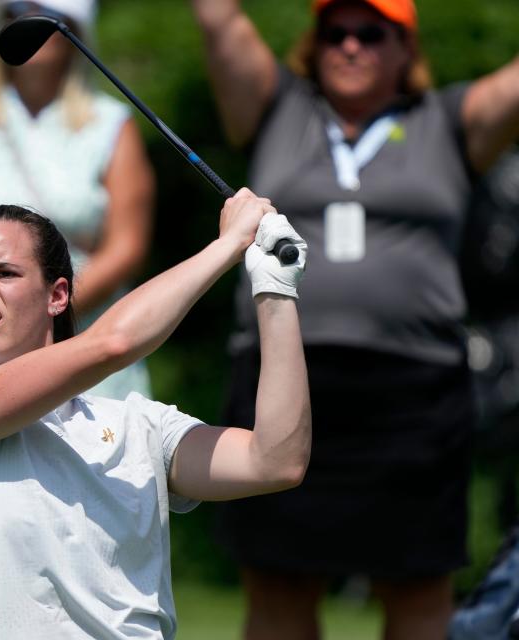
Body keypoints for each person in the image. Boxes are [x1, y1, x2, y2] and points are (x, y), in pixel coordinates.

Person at [189, 0, 519, 637]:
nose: (350, 45)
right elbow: (219, 20)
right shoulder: (276, 109)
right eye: (334, 31)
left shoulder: (447, 121)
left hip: (414, 391)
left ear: (405, 49)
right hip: (283, 377)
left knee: (419, 585)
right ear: (314, 44)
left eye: (372, 32)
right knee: (279, 580)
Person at [0, 193, 310, 638]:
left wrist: (275, 290)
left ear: (57, 296)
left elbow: (275, 461)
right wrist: (229, 243)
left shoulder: (142, 425)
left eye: (3, 273)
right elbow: (113, 343)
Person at [0, 0, 155, 402]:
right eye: (16, 11)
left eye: (44, 13)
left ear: (74, 29)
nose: (28, 22)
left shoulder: (112, 126)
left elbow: (127, 245)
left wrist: (46, 314)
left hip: (80, 342)